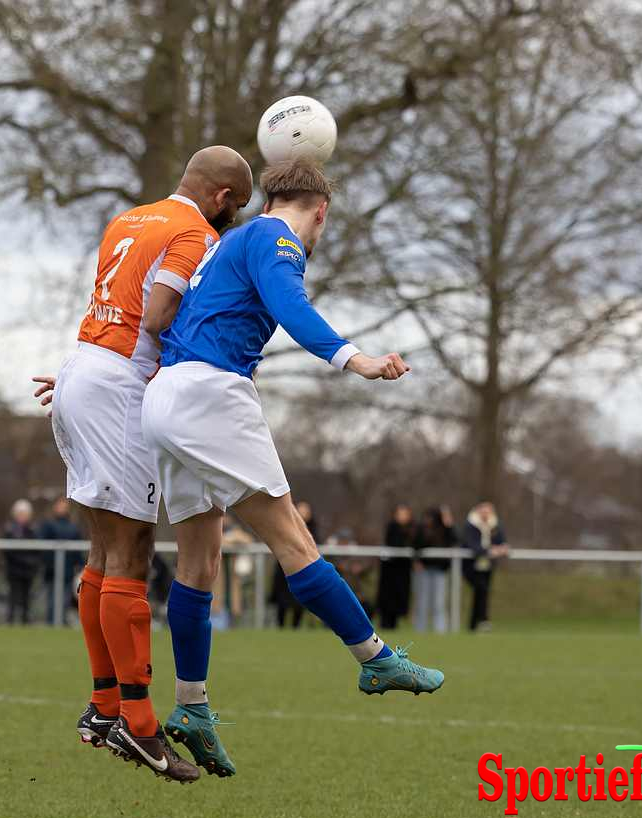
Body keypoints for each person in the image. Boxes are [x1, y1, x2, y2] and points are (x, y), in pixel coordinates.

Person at [140, 159, 445, 721]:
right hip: (210, 393)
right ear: (320, 212)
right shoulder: (277, 238)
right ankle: (374, 657)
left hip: (163, 399)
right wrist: (358, 359)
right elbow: (290, 305)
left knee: (198, 563)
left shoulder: (233, 238)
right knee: (293, 542)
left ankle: (191, 706)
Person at [35, 146, 253, 782]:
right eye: (232, 210)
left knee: (103, 554)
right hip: (118, 385)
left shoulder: (128, 219)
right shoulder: (191, 232)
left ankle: (104, 707)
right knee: (132, 552)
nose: (227, 223)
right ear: (220, 199)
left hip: (83, 367)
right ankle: (139, 723)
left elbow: (117, 310)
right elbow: (157, 315)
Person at [35, 496, 84, 625]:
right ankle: (51, 623)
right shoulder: (48, 525)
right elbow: (42, 546)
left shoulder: (73, 527)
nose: (62, 508)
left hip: (68, 571)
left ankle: (61, 623)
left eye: (64, 506)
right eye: (60, 505)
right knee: (52, 600)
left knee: (65, 600)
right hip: (52, 571)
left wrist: (80, 566)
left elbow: (77, 551)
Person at [271, 500, 319, 628]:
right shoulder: (286, 524)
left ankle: (295, 627)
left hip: (303, 569)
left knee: (299, 600)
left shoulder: (313, 530)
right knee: (282, 600)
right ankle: (280, 626)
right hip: (284, 570)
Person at [462, 500, 509, 631]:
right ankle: (483, 620)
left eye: (489, 510)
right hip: (471, 565)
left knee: (482, 592)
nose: (486, 513)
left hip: (488, 565)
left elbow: (501, 540)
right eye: (484, 510)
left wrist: (503, 548)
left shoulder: (495, 525)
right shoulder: (470, 525)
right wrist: (489, 551)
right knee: (481, 589)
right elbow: (472, 545)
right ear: (478, 510)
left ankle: (473, 625)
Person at [413, 506, 456, 632]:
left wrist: (449, 525)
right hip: (424, 569)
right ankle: (420, 630)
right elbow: (416, 545)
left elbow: (455, 540)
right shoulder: (422, 529)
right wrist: (417, 561)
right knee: (422, 601)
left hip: (440, 570)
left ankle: (440, 630)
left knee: (439, 602)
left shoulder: (446, 529)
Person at [2, 499, 41, 624]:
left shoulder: (34, 530)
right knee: (13, 595)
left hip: (28, 570)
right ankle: (10, 620)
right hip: (14, 569)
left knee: (26, 597)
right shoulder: (9, 530)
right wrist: (22, 560)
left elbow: (37, 550)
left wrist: (31, 563)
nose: (22, 516)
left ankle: (25, 620)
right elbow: (8, 551)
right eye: (20, 513)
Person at [377, 504, 415, 629]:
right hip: (390, 572)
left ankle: (393, 625)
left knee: (399, 603)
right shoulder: (392, 528)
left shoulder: (413, 529)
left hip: (403, 572)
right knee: (387, 603)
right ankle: (385, 625)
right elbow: (395, 543)